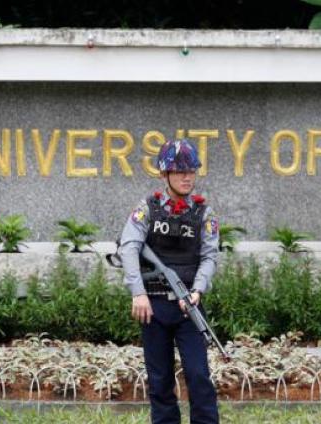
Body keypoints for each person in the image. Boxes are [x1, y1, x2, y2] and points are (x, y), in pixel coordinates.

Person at [118, 139, 220, 424]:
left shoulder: (203, 213)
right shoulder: (147, 208)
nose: (187, 177)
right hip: (153, 305)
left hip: (190, 306)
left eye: (191, 171)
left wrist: (198, 289)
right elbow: (128, 247)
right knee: (160, 380)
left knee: (199, 376)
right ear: (164, 175)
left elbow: (210, 256)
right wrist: (138, 293)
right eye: (179, 172)